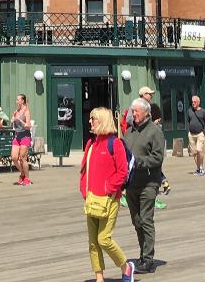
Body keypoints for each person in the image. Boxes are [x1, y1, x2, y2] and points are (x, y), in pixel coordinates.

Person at [79, 107, 134, 282]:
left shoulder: (115, 143)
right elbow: (84, 170)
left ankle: (126, 267)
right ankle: (99, 277)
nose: (90, 121)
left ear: (102, 121)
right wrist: (84, 189)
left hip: (109, 199)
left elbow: (122, 173)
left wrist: (108, 187)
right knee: (93, 242)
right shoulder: (90, 144)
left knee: (104, 239)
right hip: (91, 198)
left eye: (93, 119)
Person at [123, 98, 166, 273]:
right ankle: (143, 254)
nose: (133, 114)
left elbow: (158, 158)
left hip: (148, 183)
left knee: (146, 219)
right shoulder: (129, 132)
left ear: (146, 113)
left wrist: (138, 162)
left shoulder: (155, 132)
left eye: (136, 111)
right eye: (132, 111)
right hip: (131, 184)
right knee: (137, 221)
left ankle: (148, 259)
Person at [136, 87, 169, 202]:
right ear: (143, 95)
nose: (151, 96)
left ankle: (160, 184)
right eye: (149, 94)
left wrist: (155, 123)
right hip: (141, 141)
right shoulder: (136, 108)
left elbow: (158, 119)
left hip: (154, 138)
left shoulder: (154, 107)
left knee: (155, 162)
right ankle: (163, 182)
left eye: (151, 94)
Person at [9, 94, 35, 185]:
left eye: (18, 100)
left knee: (23, 158)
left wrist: (19, 120)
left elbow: (28, 126)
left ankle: (27, 178)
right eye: (16, 100)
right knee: (14, 157)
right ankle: (22, 173)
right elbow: (12, 126)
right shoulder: (16, 111)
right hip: (17, 136)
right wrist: (12, 120)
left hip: (25, 135)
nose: (16, 101)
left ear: (22, 101)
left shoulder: (26, 111)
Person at [185, 94, 205, 176]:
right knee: (194, 152)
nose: (193, 103)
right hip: (191, 134)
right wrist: (188, 131)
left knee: (199, 150)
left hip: (200, 134)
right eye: (192, 102)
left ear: (198, 102)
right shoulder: (189, 111)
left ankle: (201, 167)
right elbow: (187, 121)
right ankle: (198, 168)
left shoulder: (203, 112)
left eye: (195, 102)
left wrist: (204, 131)